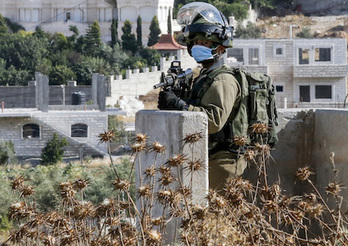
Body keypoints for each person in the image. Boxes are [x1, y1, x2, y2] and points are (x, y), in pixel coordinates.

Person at [157, 2, 247, 190]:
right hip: (207, 157)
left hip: (223, 163)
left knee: (219, 217)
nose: (199, 46)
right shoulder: (204, 77)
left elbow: (213, 121)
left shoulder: (223, 79)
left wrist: (180, 105)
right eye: (196, 42)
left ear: (220, 48)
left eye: (205, 43)